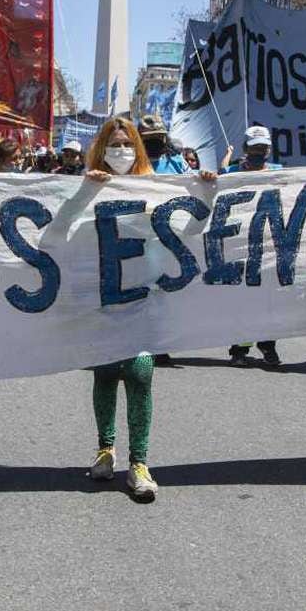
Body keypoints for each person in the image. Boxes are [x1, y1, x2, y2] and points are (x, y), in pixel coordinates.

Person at [82, 116, 215, 501]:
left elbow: (188, 231)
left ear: (137, 148)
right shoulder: (88, 184)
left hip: (146, 297)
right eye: (113, 144)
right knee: (106, 373)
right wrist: (84, 193)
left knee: (140, 372)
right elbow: (56, 233)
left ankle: (139, 463)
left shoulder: (157, 186)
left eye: (127, 144)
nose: (120, 151)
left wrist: (205, 194)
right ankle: (105, 450)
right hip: (103, 299)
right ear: (101, 148)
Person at [220, 125, 284, 367]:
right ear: (246, 148)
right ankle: (239, 349)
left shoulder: (280, 172)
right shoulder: (232, 173)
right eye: (255, 147)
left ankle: (268, 346)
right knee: (244, 299)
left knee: (269, 300)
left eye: (263, 147)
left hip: (270, 244)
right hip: (239, 244)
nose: (260, 151)